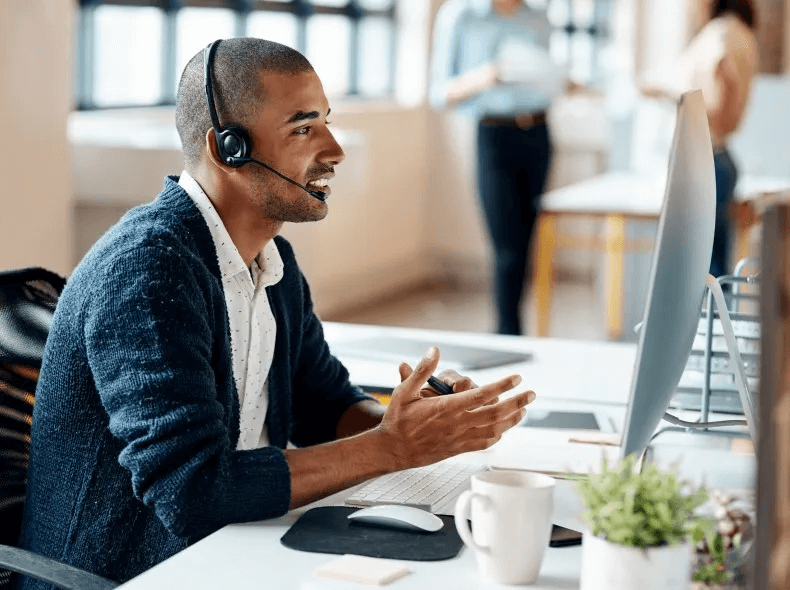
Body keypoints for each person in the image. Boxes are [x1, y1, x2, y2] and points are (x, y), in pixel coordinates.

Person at [16, 38, 534, 588]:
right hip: (132, 570)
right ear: (229, 149)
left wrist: (408, 422)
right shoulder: (148, 273)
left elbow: (322, 402)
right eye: (303, 128)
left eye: (327, 123)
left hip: (229, 546)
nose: (334, 149)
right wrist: (391, 448)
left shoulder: (270, 258)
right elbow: (193, 490)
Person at [429, 0, 564, 335]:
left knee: (525, 244)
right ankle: (508, 333)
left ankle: (515, 329)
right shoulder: (461, 16)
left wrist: (561, 81)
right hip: (493, 135)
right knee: (506, 247)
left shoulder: (540, 17)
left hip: (539, 133)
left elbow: (547, 78)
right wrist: (486, 76)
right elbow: (439, 93)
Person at [644, 0, 757, 277]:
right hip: (718, 156)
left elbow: (723, 82)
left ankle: (711, 320)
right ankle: (715, 320)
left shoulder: (722, 33)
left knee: (700, 270)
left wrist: (669, 94)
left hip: (705, 157)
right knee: (712, 263)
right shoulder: (742, 33)